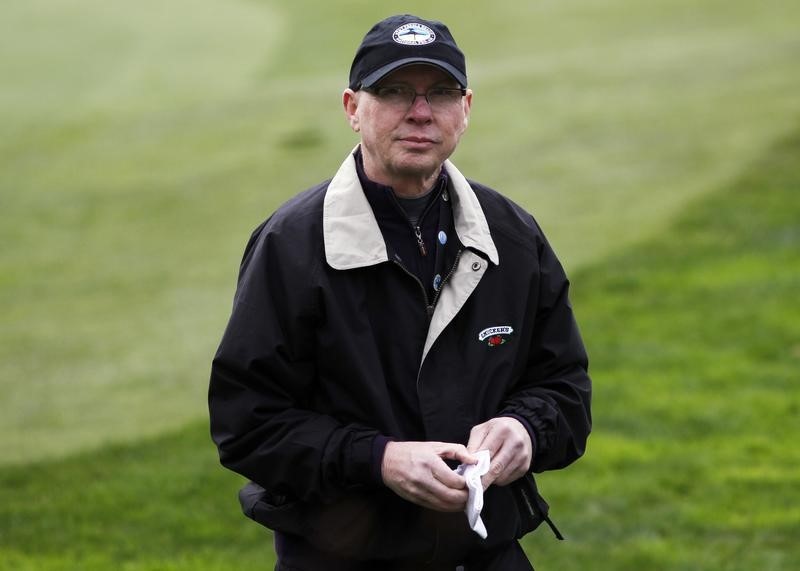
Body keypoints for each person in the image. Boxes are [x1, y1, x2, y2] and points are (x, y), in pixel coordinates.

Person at [209, 13, 591, 571]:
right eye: (393, 91)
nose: (419, 113)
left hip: (486, 554)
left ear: (466, 109)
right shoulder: (290, 245)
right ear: (351, 108)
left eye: (440, 92)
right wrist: (380, 460)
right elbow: (247, 424)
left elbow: (565, 388)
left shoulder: (512, 233)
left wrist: (526, 430)